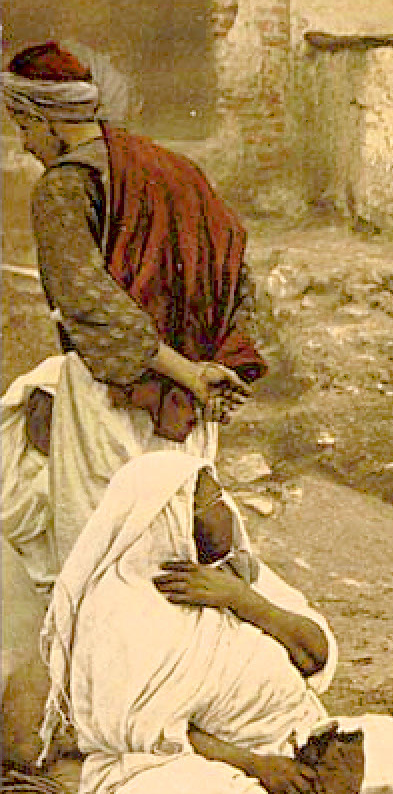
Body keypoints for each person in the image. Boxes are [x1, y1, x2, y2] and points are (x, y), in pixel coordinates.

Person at [37, 453, 393, 794]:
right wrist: (257, 767)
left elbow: (315, 653)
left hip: (289, 743)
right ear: (171, 514)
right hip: (190, 765)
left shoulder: (235, 573)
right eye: (212, 500)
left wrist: (241, 599)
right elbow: (146, 738)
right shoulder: (119, 610)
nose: (227, 511)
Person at [1, 42, 264, 588]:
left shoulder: (64, 186)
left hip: (110, 405)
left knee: (105, 560)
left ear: (44, 118)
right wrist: (215, 365)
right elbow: (236, 271)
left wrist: (188, 373)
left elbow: (88, 303)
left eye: (22, 127)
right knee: (175, 555)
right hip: (188, 407)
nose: (25, 144)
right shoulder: (175, 169)